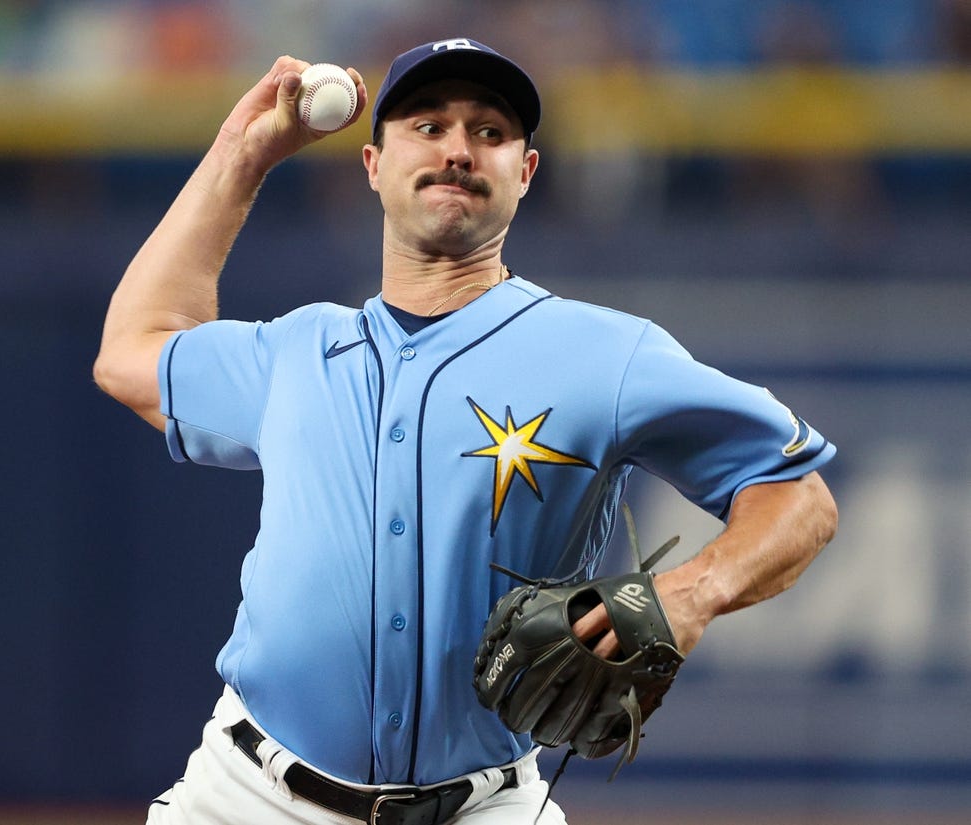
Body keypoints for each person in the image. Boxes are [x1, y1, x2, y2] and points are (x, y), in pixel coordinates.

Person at [94, 37, 838, 825]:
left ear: (525, 172)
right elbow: (133, 352)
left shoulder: (605, 355)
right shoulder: (297, 350)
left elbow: (802, 497)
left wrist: (690, 594)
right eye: (429, 124)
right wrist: (240, 157)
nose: (457, 150)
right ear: (374, 164)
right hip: (247, 795)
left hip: (484, 807)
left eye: (489, 131)